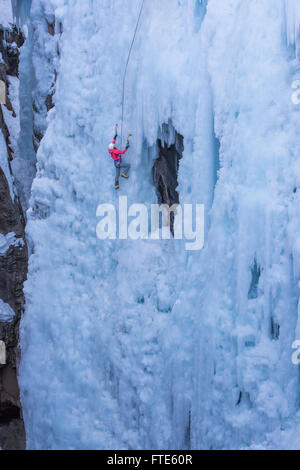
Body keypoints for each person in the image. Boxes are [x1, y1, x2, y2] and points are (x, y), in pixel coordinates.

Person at [108, 125, 130, 189]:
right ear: (113, 147)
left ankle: (116, 185)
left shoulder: (110, 150)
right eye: (114, 145)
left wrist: (115, 136)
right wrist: (127, 147)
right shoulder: (115, 151)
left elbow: (113, 142)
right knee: (128, 165)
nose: (114, 145)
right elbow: (123, 152)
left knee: (117, 174)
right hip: (118, 162)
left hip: (115, 163)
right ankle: (124, 173)